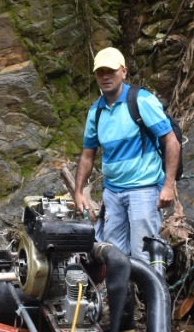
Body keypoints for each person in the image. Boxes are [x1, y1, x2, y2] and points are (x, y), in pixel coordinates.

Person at [71, 47, 178, 259]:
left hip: (144, 190)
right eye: (100, 72)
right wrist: (79, 190)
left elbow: (172, 141)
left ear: (124, 72)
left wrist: (168, 186)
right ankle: (122, 294)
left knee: (144, 255)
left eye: (110, 71)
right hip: (112, 193)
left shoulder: (141, 101)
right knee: (113, 255)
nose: (105, 76)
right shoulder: (96, 111)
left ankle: (152, 293)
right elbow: (87, 155)